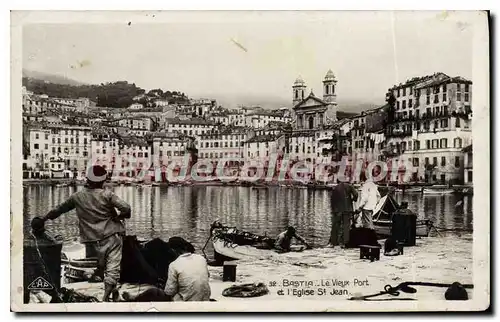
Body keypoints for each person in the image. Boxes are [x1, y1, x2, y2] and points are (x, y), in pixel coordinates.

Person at [38, 165, 131, 302]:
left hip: (91, 239)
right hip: (112, 236)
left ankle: (113, 290)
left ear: (88, 179)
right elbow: (126, 208)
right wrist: (120, 217)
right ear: (103, 180)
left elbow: (59, 210)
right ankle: (105, 298)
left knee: (102, 265)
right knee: (112, 268)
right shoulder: (107, 195)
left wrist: (44, 219)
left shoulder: (77, 197)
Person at [122, 237, 211, 302]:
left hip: (185, 302)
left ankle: (133, 298)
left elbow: (169, 292)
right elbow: (207, 276)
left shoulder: (174, 264)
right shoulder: (201, 259)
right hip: (205, 298)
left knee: (154, 292)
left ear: (173, 250)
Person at [327, 181, 358, 248]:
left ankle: (333, 243)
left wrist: (334, 210)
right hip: (347, 209)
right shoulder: (349, 186)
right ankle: (344, 243)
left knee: (335, 226)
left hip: (337, 210)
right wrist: (353, 199)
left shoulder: (336, 187)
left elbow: (332, 199)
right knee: (346, 227)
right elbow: (356, 194)